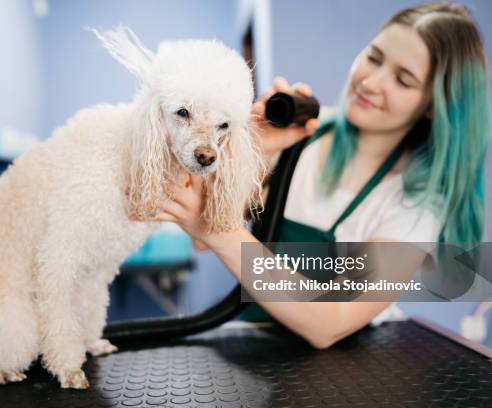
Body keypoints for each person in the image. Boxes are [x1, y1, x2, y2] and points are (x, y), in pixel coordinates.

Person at [141, 2, 490, 348]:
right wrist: (251, 151)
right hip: (256, 344)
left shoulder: (418, 201)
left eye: (402, 79)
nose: (370, 81)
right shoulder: (300, 134)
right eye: (374, 57)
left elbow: (331, 321)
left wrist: (223, 233)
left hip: (350, 368)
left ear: (433, 106)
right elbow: (201, 241)